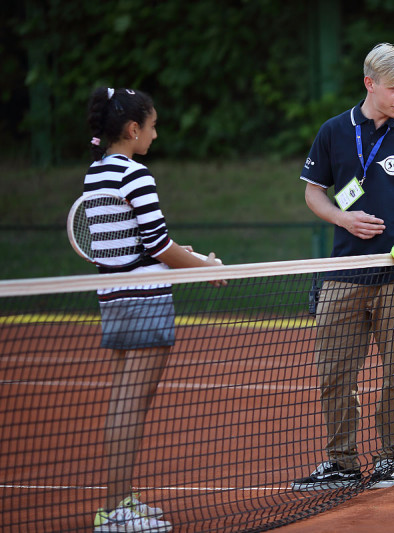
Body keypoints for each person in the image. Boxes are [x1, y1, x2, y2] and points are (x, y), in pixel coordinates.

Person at [293, 43, 394, 491]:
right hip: (342, 274)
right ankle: (342, 463)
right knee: (335, 374)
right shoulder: (333, 131)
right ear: (369, 84)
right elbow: (313, 192)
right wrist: (342, 217)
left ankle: (390, 459)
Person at [85, 87, 225, 532]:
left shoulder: (95, 173)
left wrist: (178, 254)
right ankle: (114, 511)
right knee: (130, 403)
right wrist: (204, 266)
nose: (155, 134)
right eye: (152, 126)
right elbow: (160, 246)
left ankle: (122, 500)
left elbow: (132, 244)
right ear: (132, 129)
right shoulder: (136, 175)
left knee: (130, 401)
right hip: (144, 300)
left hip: (115, 298)